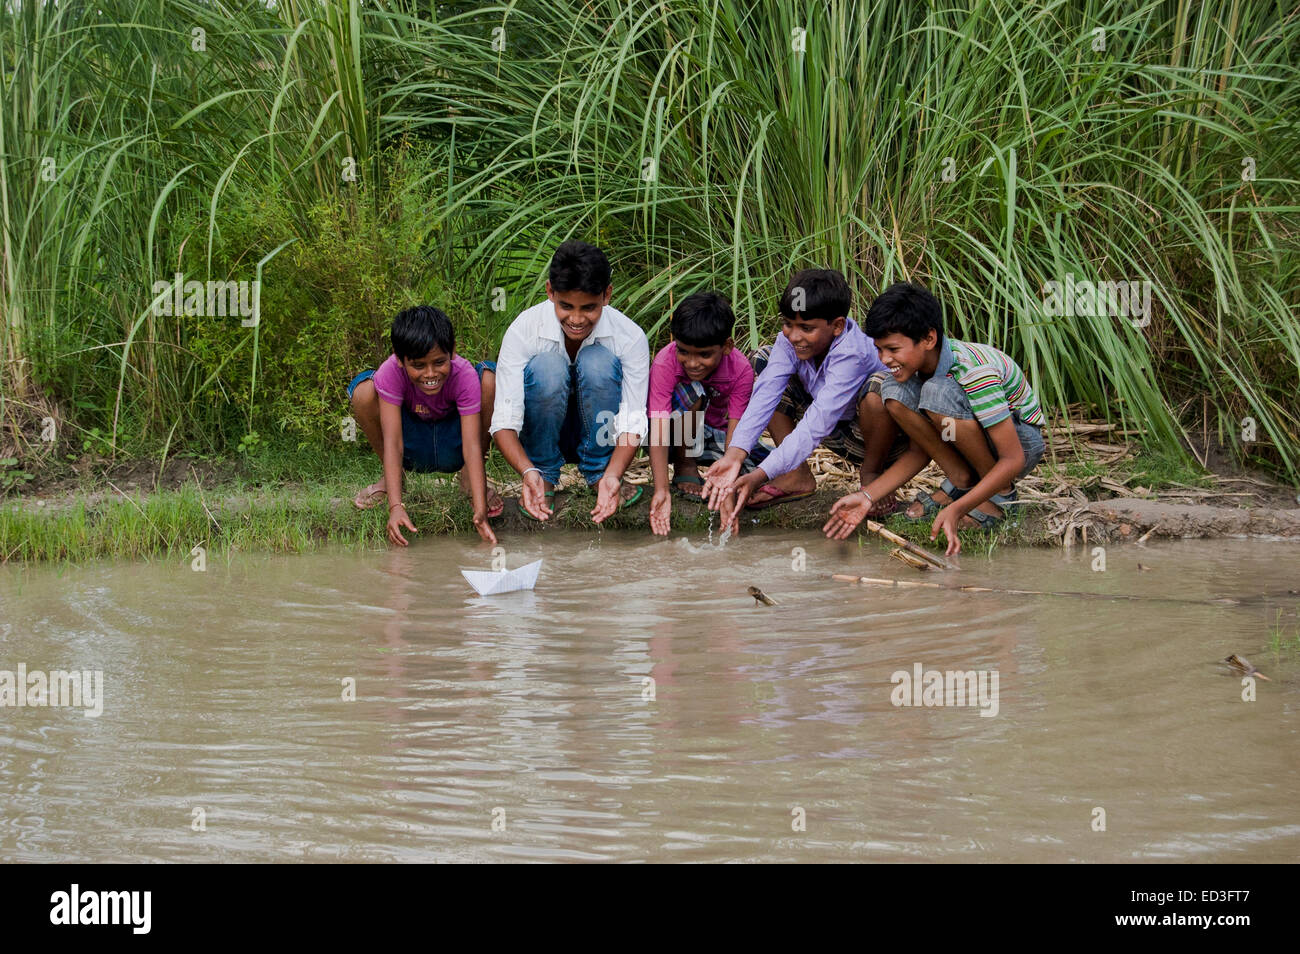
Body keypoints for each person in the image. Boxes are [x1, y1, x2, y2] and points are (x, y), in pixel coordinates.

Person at [824, 282, 1046, 555]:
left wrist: (957, 509)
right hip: (975, 440)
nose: (884, 359)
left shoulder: (972, 371)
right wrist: (868, 496)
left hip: (1018, 443)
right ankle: (961, 480)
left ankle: (999, 495)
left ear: (928, 339)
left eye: (893, 349)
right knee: (891, 388)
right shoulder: (917, 370)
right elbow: (921, 450)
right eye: (879, 349)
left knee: (937, 391)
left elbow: (1014, 459)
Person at [703, 268, 906, 530]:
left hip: (878, 439)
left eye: (806, 328)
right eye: (788, 323)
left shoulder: (852, 353)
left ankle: (873, 475)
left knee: (876, 391)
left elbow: (816, 424)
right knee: (763, 361)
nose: (794, 335)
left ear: (837, 326)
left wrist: (758, 475)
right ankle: (795, 474)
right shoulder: (788, 342)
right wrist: (734, 455)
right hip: (836, 430)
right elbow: (766, 394)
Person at [490, 240, 649, 522]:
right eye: (566, 306)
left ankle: (601, 476)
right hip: (545, 432)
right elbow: (504, 420)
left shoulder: (630, 337)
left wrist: (614, 474)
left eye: (589, 308)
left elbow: (632, 419)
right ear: (550, 292)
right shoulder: (523, 331)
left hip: (600, 432)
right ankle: (543, 478)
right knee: (547, 366)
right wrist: (528, 472)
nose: (576, 319)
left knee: (597, 361)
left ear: (607, 295)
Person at [348, 305, 502, 546]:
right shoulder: (390, 372)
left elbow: (472, 445)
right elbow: (393, 442)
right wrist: (396, 507)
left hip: (454, 441)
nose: (430, 374)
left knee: (490, 379)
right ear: (400, 359)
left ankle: (470, 482)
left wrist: (481, 512)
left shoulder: (463, 375)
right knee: (363, 392)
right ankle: (393, 480)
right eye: (418, 365)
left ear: (452, 351)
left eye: (439, 362)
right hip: (413, 441)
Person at [645, 291, 767, 536]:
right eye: (684, 352)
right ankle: (685, 466)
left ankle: (711, 473)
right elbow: (657, 429)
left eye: (704, 355)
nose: (692, 363)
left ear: (726, 347)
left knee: (767, 467)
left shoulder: (741, 369)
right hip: (670, 437)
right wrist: (661, 490)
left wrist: (727, 489)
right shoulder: (665, 363)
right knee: (693, 389)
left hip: (714, 438)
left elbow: (736, 432)